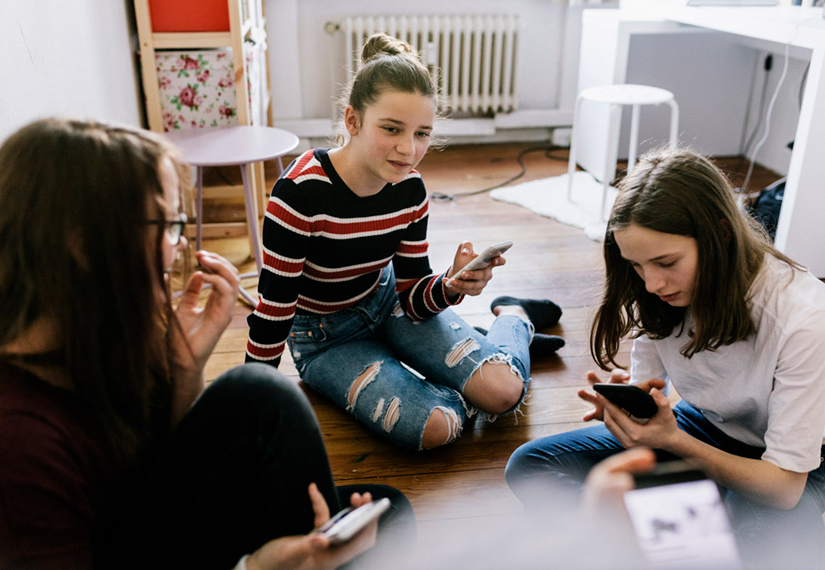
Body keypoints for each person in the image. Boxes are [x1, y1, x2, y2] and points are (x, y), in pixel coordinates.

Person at [0, 118, 413, 570]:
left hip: (139, 527)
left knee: (387, 515)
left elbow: (158, 464)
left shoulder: (93, 332)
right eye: (164, 224)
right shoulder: (11, 446)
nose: (178, 246)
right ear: (82, 243)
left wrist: (185, 368)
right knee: (258, 394)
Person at [504, 148, 825, 568]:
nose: (652, 283)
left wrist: (672, 441)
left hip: (788, 471)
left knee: (774, 548)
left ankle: (652, 536)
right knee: (531, 466)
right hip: (703, 428)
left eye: (666, 262)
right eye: (636, 265)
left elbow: (784, 487)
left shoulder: (803, 319)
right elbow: (650, 387)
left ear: (721, 235)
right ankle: (667, 536)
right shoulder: (660, 291)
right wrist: (634, 409)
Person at [245, 33, 564, 451]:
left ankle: (514, 318)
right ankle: (475, 357)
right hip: (323, 338)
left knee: (505, 393)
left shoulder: (410, 190)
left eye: (422, 134)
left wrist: (449, 285)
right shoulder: (299, 193)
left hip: (388, 304)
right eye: (392, 129)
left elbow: (412, 297)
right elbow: (274, 309)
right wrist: (251, 408)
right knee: (438, 428)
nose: (408, 149)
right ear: (352, 120)